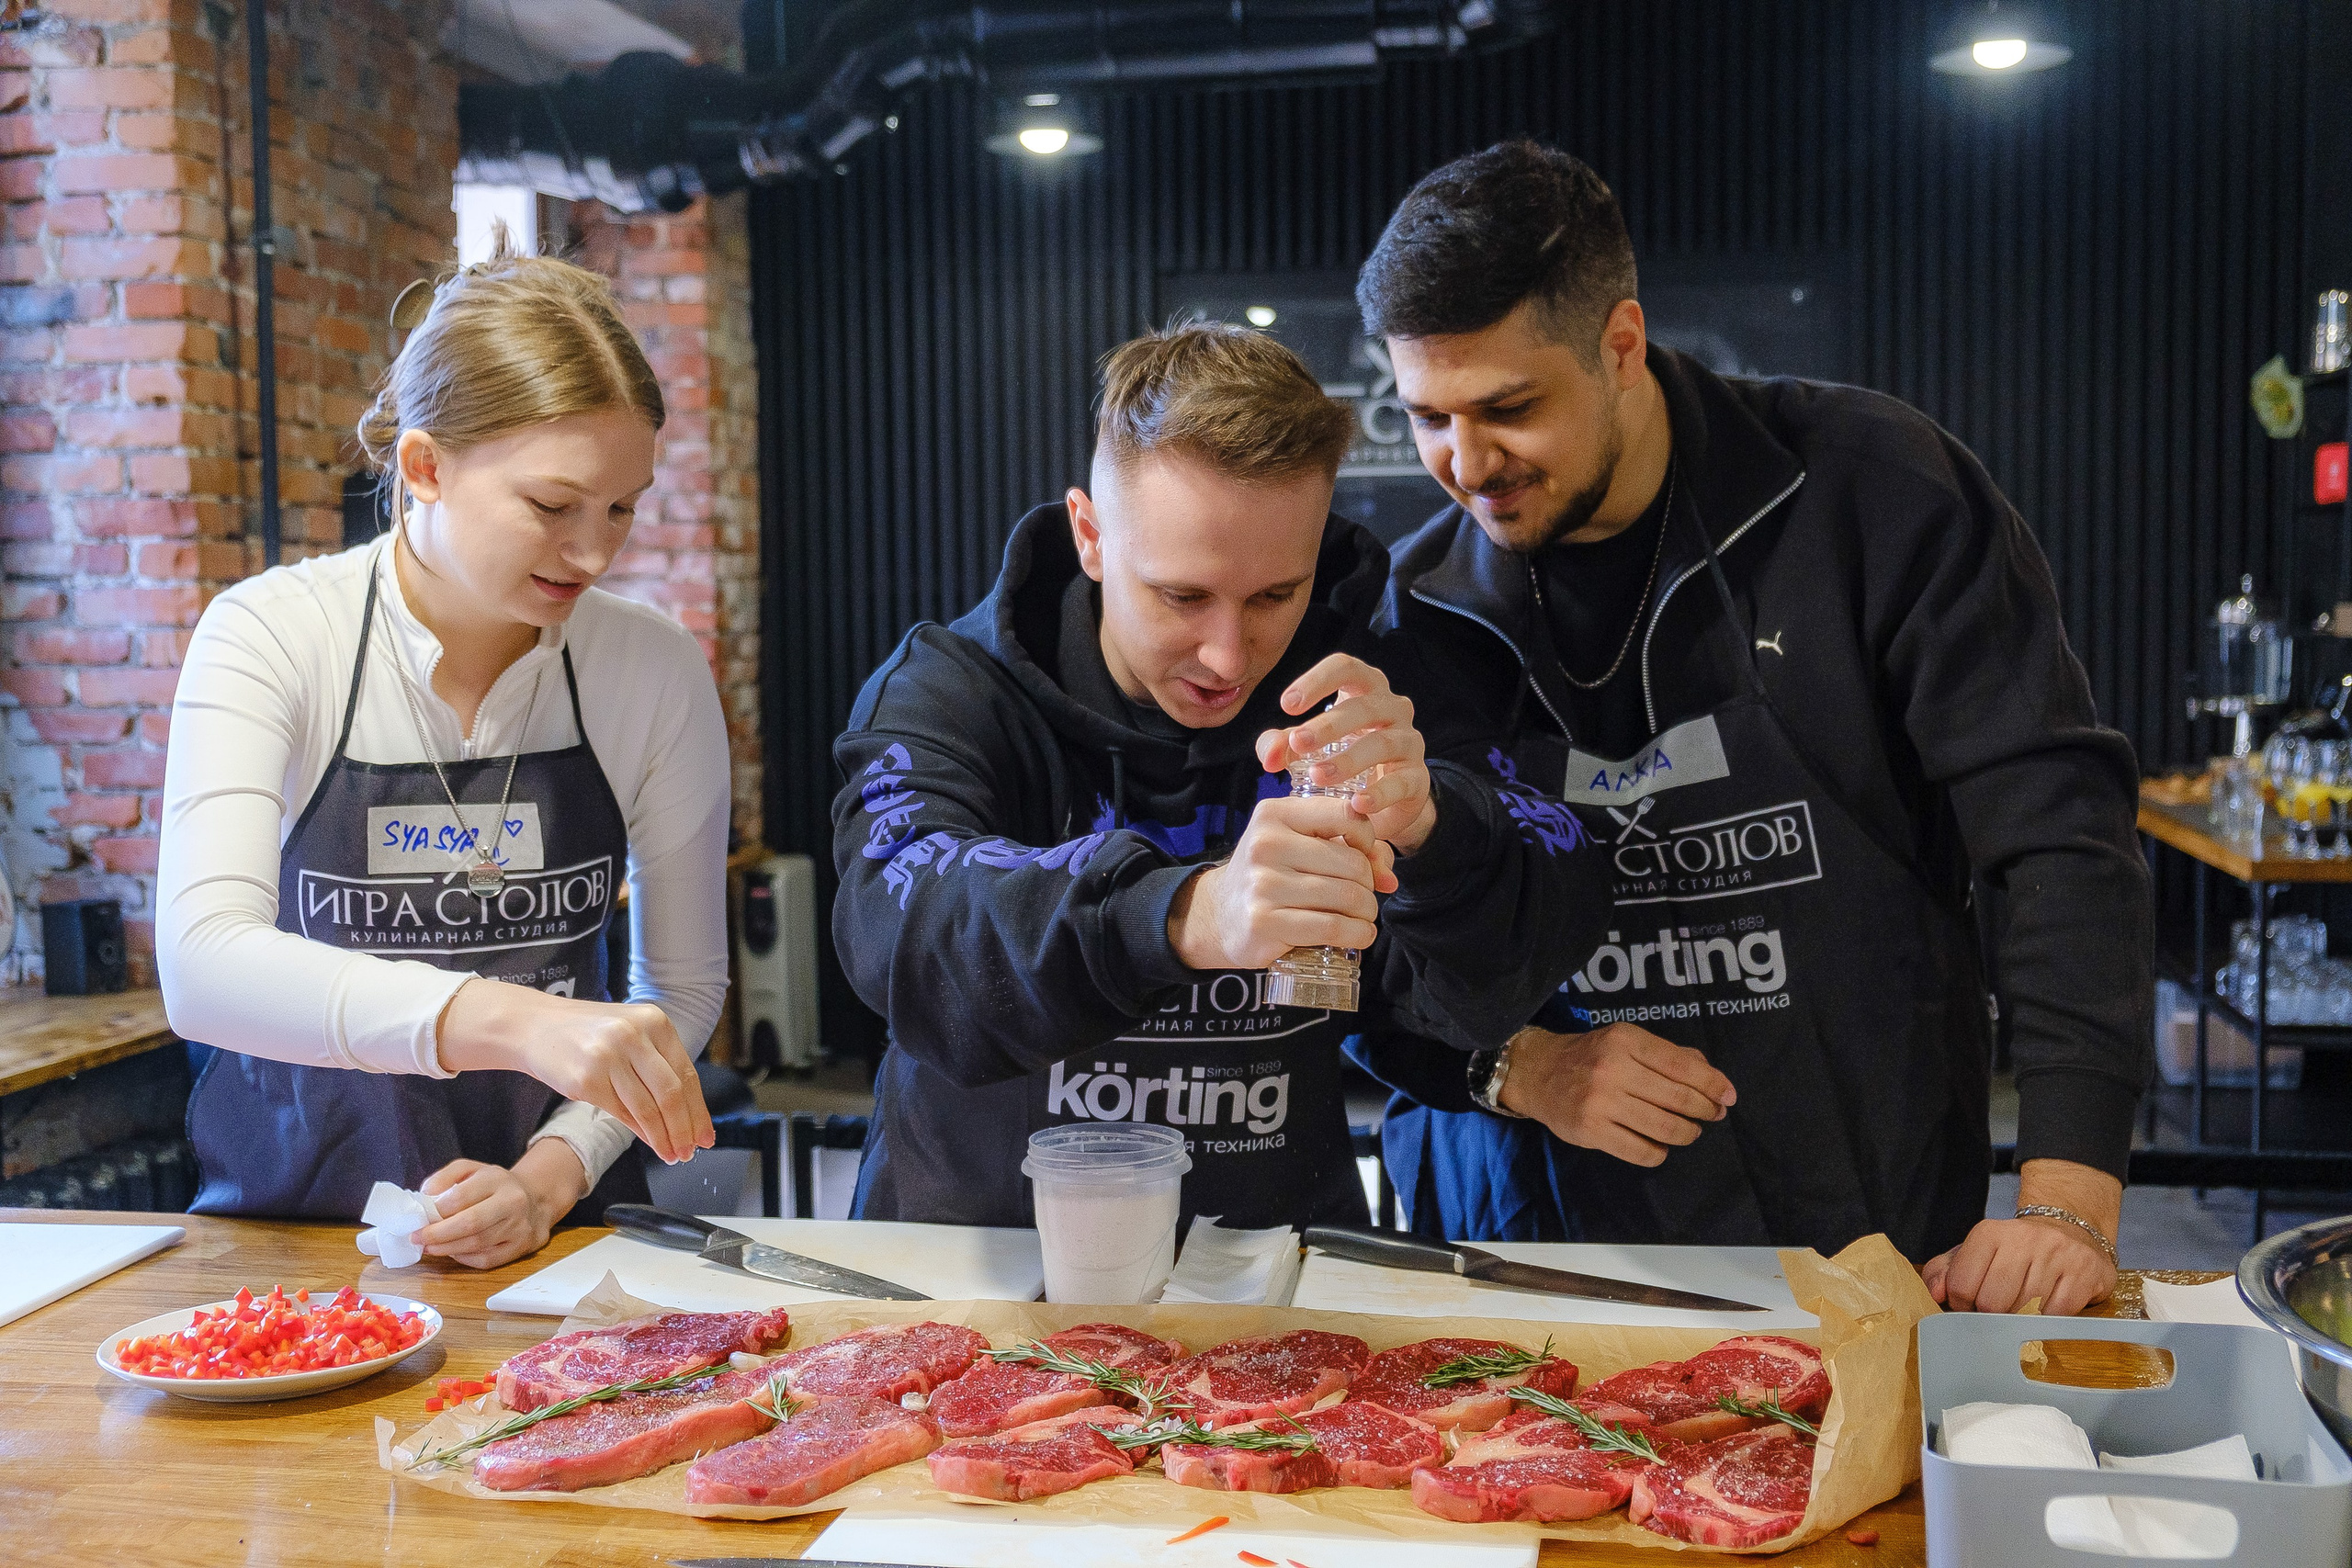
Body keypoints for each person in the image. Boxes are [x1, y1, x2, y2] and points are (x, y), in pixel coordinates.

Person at [1348, 141, 2154, 1315]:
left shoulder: (1872, 496)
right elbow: (1349, 954)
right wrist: (1520, 1067)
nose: (1465, 464)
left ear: (1619, 344)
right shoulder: (1412, 617)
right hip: (1524, 1254)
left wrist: (2066, 1197)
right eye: (1426, 417)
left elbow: (2058, 840)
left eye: (1508, 408)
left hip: (1857, 1228)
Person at [831, 322, 1606, 1231]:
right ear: (1089, 535)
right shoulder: (949, 690)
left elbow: (1555, 885)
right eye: (1182, 596)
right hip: (981, 1276)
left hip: (1277, 1276)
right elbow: (904, 928)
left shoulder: (1371, 680)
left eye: (1276, 594)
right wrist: (1187, 913)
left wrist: (1439, 826)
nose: (1227, 655)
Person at [157, 245, 727, 1269]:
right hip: (295, 1235)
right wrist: (516, 1022)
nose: (594, 554)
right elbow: (204, 968)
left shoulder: (650, 668)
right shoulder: (274, 637)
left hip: (560, 1241)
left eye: (621, 508)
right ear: (423, 467)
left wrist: (548, 1179)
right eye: (553, 508)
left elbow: (680, 991)